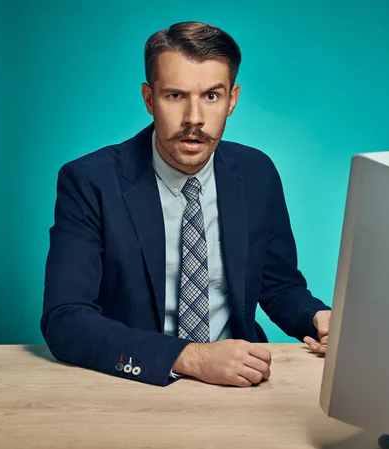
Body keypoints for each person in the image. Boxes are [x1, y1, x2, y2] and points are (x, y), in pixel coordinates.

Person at [41, 21, 331, 388]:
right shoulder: (89, 181)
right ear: (149, 99)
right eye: (175, 95)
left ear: (232, 100)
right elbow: (64, 319)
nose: (194, 119)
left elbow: (277, 284)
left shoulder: (257, 172)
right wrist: (189, 356)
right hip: (133, 385)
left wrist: (317, 316)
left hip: (243, 381)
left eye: (212, 96)